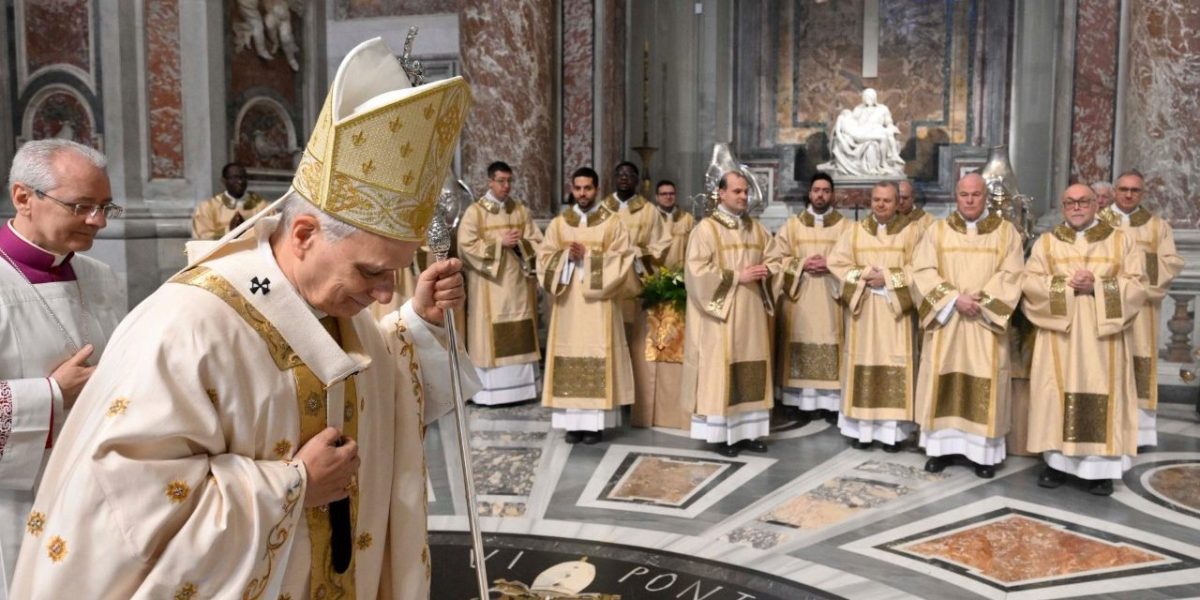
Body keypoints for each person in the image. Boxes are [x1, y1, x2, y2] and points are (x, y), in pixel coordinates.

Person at [10, 37, 478, 598]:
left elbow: (360, 385)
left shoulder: (328, 302)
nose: (384, 294)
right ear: (303, 234)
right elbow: (119, 505)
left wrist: (416, 325)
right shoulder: (189, 327)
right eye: (372, 272)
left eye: (396, 275)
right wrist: (292, 486)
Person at [0, 139, 126, 597]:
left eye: (105, 206)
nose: (99, 221)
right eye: (81, 206)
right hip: (12, 506)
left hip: (95, 491)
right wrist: (51, 395)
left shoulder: (102, 278)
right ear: (23, 197)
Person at [1023, 183, 1145, 496]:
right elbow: (1030, 283)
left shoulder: (1121, 241)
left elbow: (1136, 286)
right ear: (1063, 207)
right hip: (1059, 337)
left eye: (1083, 201)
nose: (1076, 207)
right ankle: (1055, 464)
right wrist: (1064, 285)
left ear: (1096, 205)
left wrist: (1099, 287)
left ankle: (1100, 471)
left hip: (1103, 340)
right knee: (1056, 396)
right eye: (1069, 202)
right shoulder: (1047, 243)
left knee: (1100, 393)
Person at [912, 174, 1024, 478]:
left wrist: (982, 301)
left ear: (985, 196)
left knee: (983, 382)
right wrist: (952, 299)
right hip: (948, 322)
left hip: (984, 325)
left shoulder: (1006, 233)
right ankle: (940, 450)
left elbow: (1012, 274)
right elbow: (921, 271)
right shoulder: (937, 232)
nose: (970, 200)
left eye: (976, 194)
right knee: (943, 380)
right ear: (956, 196)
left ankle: (983, 455)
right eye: (964, 195)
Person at [681, 171, 777, 457]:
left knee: (750, 367)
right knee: (722, 369)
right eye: (737, 191)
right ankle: (721, 435)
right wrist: (738, 276)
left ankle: (748, 432)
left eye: (745, 192)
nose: (743, 197)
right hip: (720, 316)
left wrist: (769, 270)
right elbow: (696, 272)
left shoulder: (756, 229)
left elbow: (774, 258)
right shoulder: (706, 230)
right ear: (721, 194)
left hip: (751, 315)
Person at [538, 167, 635, 444]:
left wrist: (589, 256)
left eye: (588, 188)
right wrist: (565, 258)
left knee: (597, 355)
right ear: (572, 187)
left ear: (597, 189)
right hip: (569, 304)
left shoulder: (612, 222)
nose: (582, 194)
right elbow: (543, 259)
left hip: (599, 305)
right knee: (569, 355)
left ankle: (594, 426)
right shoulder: (560, 224)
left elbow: (623, 259)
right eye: (578, 188)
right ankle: (572, 425)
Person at [828, 181, 923, 451]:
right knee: (864, 362)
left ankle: (892, 434)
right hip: (865, 310)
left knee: (895, 364)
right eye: (877, 200)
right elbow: (837, 264)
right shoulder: (855, 232)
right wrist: (865, 275)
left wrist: (890, 278)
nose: (881, 205)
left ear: (898, 203)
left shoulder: (913, 231)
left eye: (887, 200)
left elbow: (922, 269)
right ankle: (861, 430)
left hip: (896, 315)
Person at [1098, 170, 1183, 447]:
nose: (1128, 195)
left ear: (1143, 194)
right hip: (1107, 302)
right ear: (1114, 191)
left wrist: (1134, 277)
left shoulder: (1157, 227)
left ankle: (1140, 433)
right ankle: (1106, 424)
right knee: (1104, 362)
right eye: (1123, 189)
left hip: (1142, 309)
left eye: (1135, 190)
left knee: (1139, 358)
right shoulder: (1097, 222)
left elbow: (1170, 263)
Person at [456, 161, 544, 406]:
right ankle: (491, 393)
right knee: (489, 334)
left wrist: (520, 245)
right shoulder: (476, 212)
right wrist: (498, 242)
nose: (506, 186)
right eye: (501, 181)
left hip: (517, 286)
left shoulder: (520, 211)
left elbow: (537, 241)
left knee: (520, 327)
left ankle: (521, 391)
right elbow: (465, 247)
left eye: (509, 181)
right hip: (489, 286)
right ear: (489, 182)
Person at [765, 172, 849, 424]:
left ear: (832, 195)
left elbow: (853, 262)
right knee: (798, 342)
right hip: (800, 299)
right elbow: (777, 259)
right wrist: (801, 265)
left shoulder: (846, 227)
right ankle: (796, 402)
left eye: (825, 190)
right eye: (816, 190)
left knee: (830, 341)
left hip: (830, 298)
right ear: (809, 194)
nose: (820, 195)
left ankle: (829, 403)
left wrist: (831, 265)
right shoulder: (792, 225)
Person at [603, 161, 671, 428]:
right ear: (613, 178)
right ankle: (610, 392)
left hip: (635, 283)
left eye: (629, 175)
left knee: (634, 341)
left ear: (637, 180)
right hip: (608, 287)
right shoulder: (602, 210)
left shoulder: (649, 211)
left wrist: (637, 254)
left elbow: (662, 243)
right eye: (619, 174)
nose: (624, 179)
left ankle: (633, 396)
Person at [632, 179, 696, 429]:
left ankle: (675, 407)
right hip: (654, 288)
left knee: (677, 348)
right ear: (656, 196)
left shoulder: (687, 220)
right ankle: (650, 406)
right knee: (651, 349)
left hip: (679, 289)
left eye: (671, 193)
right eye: (663, 194)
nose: (668, 197)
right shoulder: (650, 218)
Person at [818, 88, 906, 177]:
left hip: (876, 130)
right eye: (866, 97)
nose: (867, 98)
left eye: (870, 96)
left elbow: (888, 122)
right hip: (863, 132)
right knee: (877, 141)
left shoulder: (883, 109)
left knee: (887, 134)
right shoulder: (858, 109)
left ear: (874, 98)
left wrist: (891, 127)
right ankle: (883, 163)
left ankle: (889, 159)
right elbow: (852, 123)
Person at [191, 162, 269, 240]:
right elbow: (202, 236)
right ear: (224, 180)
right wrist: (230, 231)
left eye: (243, 177)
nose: (240, 182)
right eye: (235, 178)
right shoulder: (207, 207)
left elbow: (273, 232)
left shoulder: (262, 206)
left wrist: (248, 230)